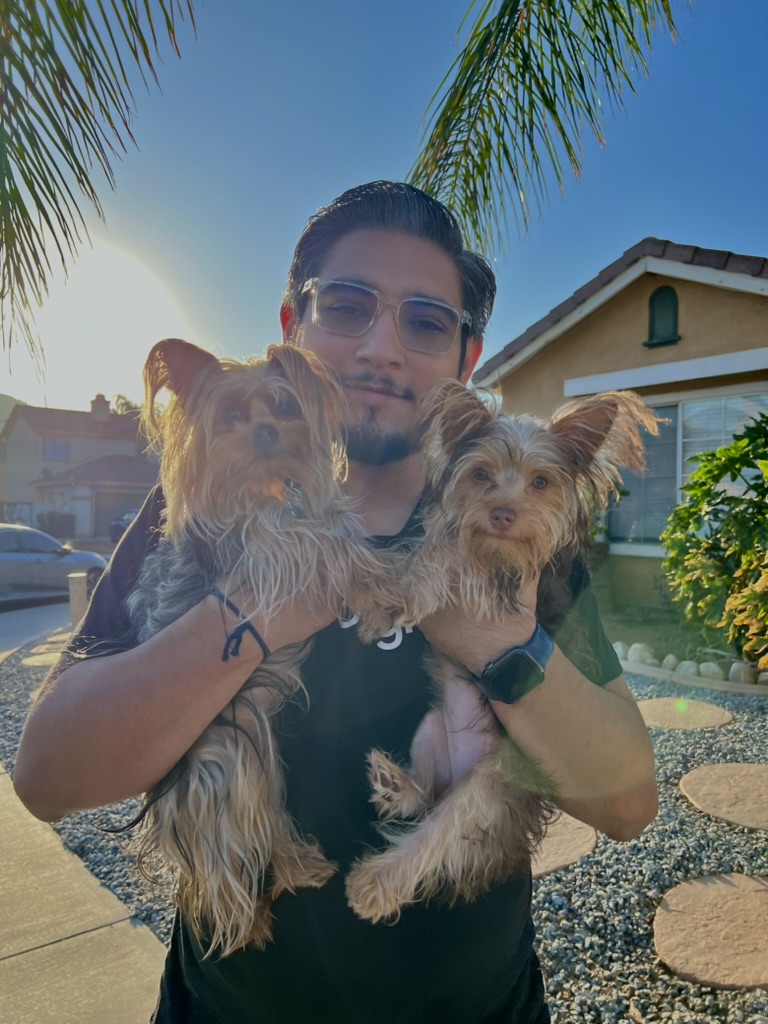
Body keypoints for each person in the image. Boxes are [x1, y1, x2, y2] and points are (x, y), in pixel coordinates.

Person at [14, 181, 657, 1024]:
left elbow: (627, 804)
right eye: (348, 307)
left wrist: (507, 646)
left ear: (466, 358)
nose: (384, 348)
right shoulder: (203, 507)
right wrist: (260, 610)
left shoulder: (511, 528)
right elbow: (48, 776)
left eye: (426, 322)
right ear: (293, 327)